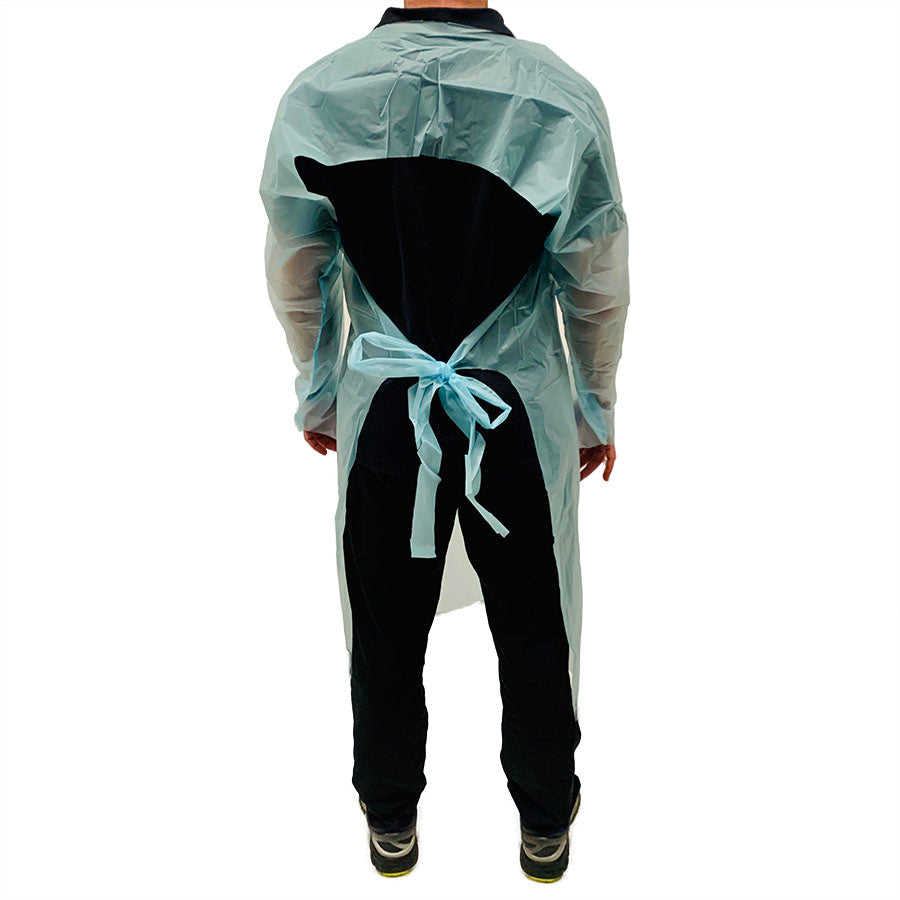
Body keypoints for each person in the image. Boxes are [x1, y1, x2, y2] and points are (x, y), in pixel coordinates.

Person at [259, 0, 629, 882]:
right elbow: (595, 272)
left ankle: (389, 816)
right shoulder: (556, 95)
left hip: (387, 411)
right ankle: (546, 821)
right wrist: (593, 405)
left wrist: (320, 391)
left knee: (385, 626)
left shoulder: (323, 91)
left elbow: (298, 266)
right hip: (514, 412)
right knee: (536, 625)